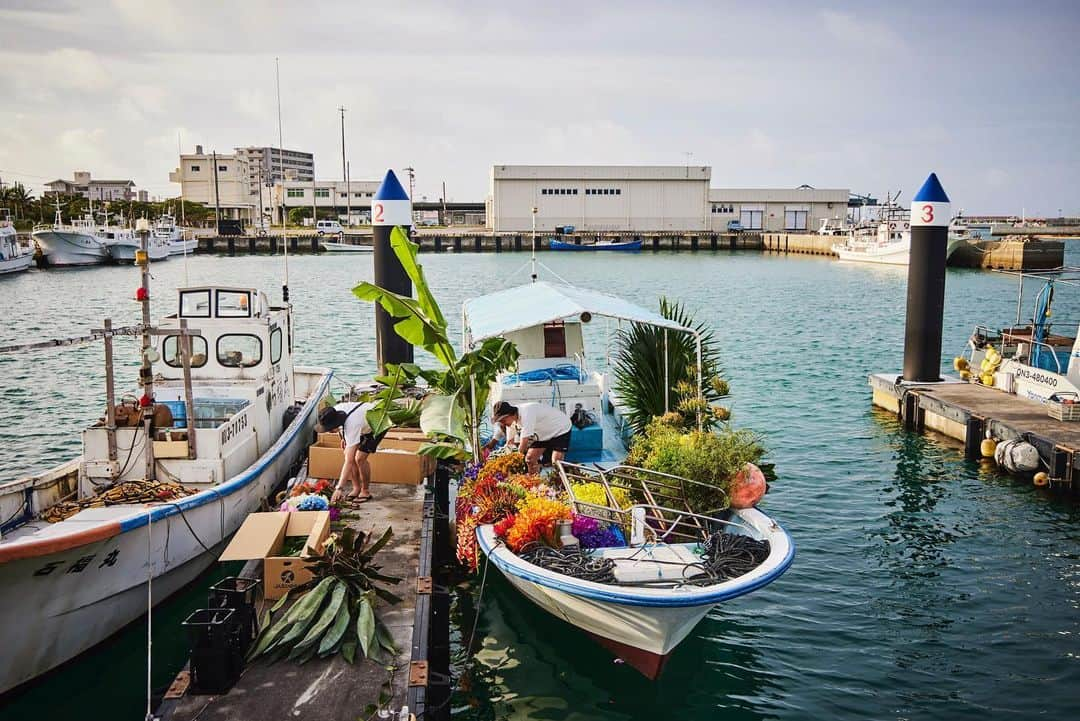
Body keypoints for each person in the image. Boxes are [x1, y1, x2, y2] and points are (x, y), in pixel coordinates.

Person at [317, 401, 386, 505]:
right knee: (348, 454)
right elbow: (341, 428)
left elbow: (348, 461)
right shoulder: (334, 412)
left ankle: (365, 491)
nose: (329, 432)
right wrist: (343, 438)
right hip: (362, 423)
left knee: (359, 459)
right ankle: (356, 488)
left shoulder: (352, 424)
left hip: (377, 423)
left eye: (330, 429)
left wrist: (339, 488)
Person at [487, 401, 572, 474]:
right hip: (542, 433)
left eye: (503, 420)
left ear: (509, 415)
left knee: (556, 462)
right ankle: (534, 484)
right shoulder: (511, 422)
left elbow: (523, 445)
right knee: (530, 459)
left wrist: (512, 462)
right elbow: (510, 443)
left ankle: (571, 475)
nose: (502, 423)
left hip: (560, 428)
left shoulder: (526, 413)